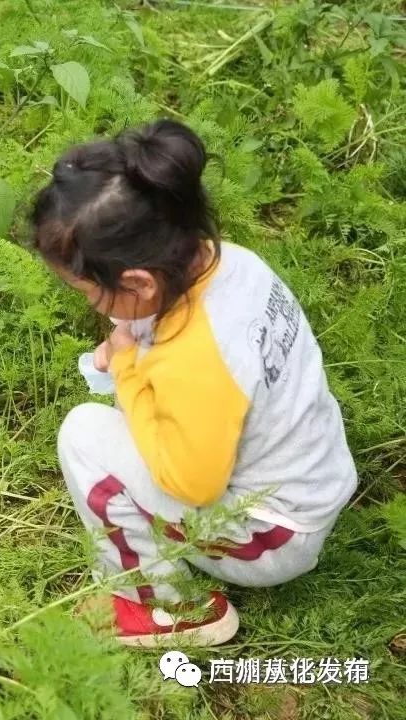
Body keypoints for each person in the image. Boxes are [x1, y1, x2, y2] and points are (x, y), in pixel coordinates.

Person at [28, 119, 357, 647]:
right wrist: (128, 334)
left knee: (84, 436)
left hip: (272, 534)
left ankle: (162, 607)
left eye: (89, 292)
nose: (92, 305)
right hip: (314, 483)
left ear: (138, 282)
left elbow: (192, 485)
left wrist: (129, 365)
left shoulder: (195, 358)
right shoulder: (230, 265)